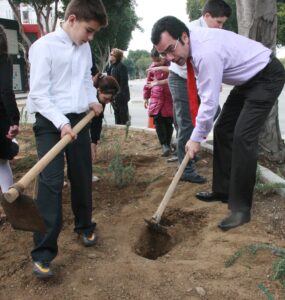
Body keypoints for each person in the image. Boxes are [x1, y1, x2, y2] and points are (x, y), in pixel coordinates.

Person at [151, 16, 285, 231]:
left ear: (184, 37)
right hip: (246, 80)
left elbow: (209, 102)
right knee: (223, 130)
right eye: (163, 53)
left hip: (266, 77)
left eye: (171, 49)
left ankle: (241, 209)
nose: (169, 57)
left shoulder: (206, 53)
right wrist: (197, 135)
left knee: (243, 137)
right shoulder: (191, 43)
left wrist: (196, 139)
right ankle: (223, 190)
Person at [27, 0, 109, 279]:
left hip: (78, 120)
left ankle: (85, 226)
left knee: (82, 175)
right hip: (50, 123)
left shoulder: (83, 48)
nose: (90, 37)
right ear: (72, 19)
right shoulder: (43, 47)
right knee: (50, 183)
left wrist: (91, 100)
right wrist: (61, 123)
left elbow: (86, 80)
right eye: (88, 30)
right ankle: (43, 252)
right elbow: (38, 94)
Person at [168, 0, 231, 183]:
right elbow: (188, 63)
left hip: (196, 80)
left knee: (213, 111)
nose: (220, 27)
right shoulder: (190, 31)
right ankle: (186, 169)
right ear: (207, 16)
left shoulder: (212, 33)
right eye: (218, 22)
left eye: (223, 23)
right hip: (181, 79)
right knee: (186, 123)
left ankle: (189, 145)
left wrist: (213, 79)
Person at [0, 25, 20, 219]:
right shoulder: (4, 60)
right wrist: (14, 120)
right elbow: (6, 91)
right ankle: (9, 201)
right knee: (3, 159)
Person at [143, 48, 174, 157]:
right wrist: (146, 97)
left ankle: (168, 143)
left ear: (163, 56)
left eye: (158, 61)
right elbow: (148, 82)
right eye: (154, 61)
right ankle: (164, 144)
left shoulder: (172, 65)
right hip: (156, 98)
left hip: (169, 97)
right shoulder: (152, 67)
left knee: (168, 122)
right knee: (158, 121)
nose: (156, 63)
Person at [90, 73, 120, 161]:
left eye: (110, 100)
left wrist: (93, 142)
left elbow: (97, 121)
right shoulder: (87, 96)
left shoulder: (101, 100)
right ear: (99, 91)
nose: (108, 102)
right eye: (106, 99)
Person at [106, 48, 130, 125]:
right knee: (117, 117)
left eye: (112, 54)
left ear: (116, 56)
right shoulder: (111, 67)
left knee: (123, 118)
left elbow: (124, 84)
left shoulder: (122, 67)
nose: (110, 56)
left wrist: (119, 95)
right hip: (114, 96)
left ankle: (125, 134)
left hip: (121, 97)